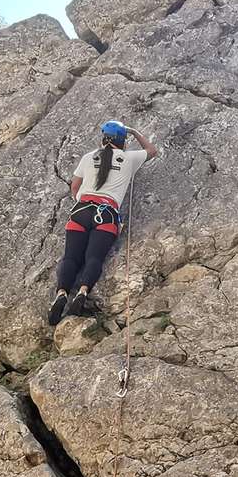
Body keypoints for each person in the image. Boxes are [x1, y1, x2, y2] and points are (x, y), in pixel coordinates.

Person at [48, 120, 160, 326]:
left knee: (71, 257)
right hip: (106, 213)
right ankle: (82, 292)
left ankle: (61, 293)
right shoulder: (129, 158)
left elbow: (75, 187)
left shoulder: (89, 157)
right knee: (94, 258)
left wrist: (81, 201)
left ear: (103, 138)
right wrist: (133, 131)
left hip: (81, 210)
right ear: (122, 141)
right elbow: (151, 150)